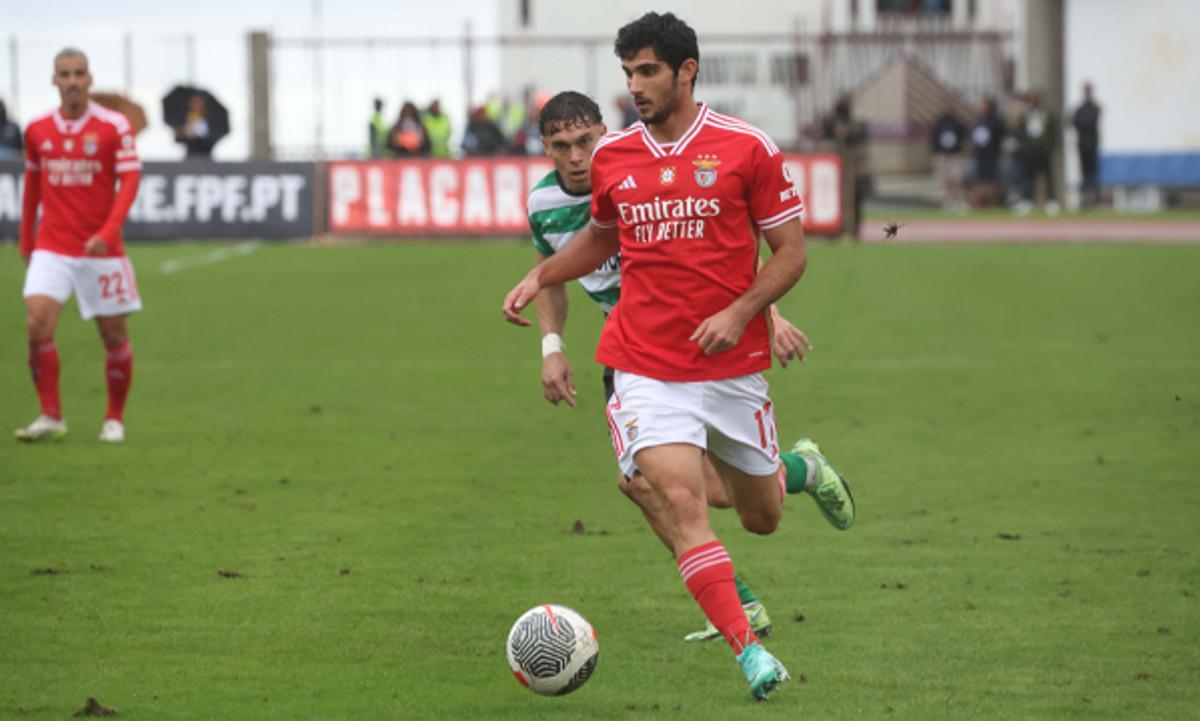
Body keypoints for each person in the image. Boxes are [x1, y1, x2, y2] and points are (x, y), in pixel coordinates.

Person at [504, 13, 855, 700]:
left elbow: (791, 252)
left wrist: (743, 312)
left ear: (685, 71)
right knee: (676, 497)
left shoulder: (746, 148)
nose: (633, 86)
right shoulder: (615, 158)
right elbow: (602, 242)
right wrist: (541, 275)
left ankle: (800, 469)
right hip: (643, 363)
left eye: (646, 72)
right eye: (628, 73)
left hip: (730, 367)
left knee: (760, 515)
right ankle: (749, 650)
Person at [528, 90, 819, 643]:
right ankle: (738, 604)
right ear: (545, 148)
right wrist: (552, 347)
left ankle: (793, 471)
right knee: (643, 485)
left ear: (603, 134)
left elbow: (717, 249)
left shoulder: (644, 165)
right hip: (635, 352)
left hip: (706, 339)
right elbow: (553, 274)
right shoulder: (543, 205)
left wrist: (769, 316)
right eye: (562, 145)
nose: (576, 156)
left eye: (586, 141)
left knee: (748, 506)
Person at [16, 48, 142, 443]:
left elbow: (130, 182)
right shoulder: (37, 129)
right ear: (54, 80)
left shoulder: (114, 125)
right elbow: (33, 184)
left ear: (90, 79)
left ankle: (114, 418)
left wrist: (108, 232)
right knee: (37, 321)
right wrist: (26, 237)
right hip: (52, 245)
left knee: (113, 334)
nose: (72, 80)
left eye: (79, 73)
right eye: (64, 74)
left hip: (100, 250)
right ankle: (50, 415)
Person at [821, 96, 869, 238]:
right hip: (839, 170)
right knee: (839, 201)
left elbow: (859, 138)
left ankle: (852, 230)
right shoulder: (835, 122)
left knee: (854, 200)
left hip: (853, 170)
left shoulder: (857, 123)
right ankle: (841, 230)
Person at [1015, 89, 1059, 214]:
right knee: (1028, 177)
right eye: (1033, 98)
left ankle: (1051, 201)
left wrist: (1051, 146)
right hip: (1029, 151)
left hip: (1043, 150)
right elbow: (1020, 132)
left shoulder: (1047, 113)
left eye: (1037, 98)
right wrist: (1023, 148)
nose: (1035, 100)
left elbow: (1053, 131)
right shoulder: (1025, 114)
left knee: (1048, 176)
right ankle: (1027, 200)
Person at [969, 96, 1006, 207]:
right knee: (979, 179)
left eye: (983, 105)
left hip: (992, 153)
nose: (980, 107)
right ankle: (979, 203)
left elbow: (1000, 134)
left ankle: (993, 202)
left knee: (992, 179)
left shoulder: (995, 120)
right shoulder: (979, 119)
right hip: (980, 154)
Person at [930, 109, 967, 212]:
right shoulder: (939, 124)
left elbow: (963, 135)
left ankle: (959, 201)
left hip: (954, 155)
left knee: (956, 178)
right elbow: (934, 139)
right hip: (943, 155)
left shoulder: (957, 123)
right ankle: (948, 201)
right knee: (945, 179)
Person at [1072, 82, 1101, 208]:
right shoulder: (1079, 109)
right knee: (1084, 172)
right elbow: (1075, 122)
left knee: (1093, 172)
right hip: (1082, 145)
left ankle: (1094, 199)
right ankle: (1085, 199)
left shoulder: (1095, 108)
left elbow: (1090, 121)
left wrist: (1083, 122)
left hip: (1093, 144)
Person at [173, 93, 216, 159]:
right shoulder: (185, 118)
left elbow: (211, 138)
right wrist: (182, 133)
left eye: (196, 102)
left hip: (204, 154)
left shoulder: (209, 120)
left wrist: (197, 136)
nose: (193, 105)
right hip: (190, 154)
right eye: (192, 102)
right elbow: (178, 139)